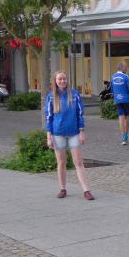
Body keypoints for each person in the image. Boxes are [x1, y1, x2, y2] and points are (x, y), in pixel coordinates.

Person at [45, 71, 94, 200]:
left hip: (74, 133)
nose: (62, 81)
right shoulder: (51, 97)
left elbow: (80, 114)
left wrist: (82, 131)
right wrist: (49, 137)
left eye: (64, 79)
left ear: (67, 80)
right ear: (55, 81)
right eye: (59, 79)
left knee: (78, 162)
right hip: (58, 134)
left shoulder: (74, 94)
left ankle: (86, 190)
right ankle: (63, 189)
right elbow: (49, 118)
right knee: (61, 162)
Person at [110, 63, 129, 145]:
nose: (126, 69)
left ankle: (123, 137)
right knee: (127, 118)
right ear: (122, 68)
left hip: (117, 99)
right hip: (126, 100)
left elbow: (111, 89)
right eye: (125, 67)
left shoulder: (113, 77)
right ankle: (126, 136)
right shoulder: (126, 76)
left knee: (121, 117)